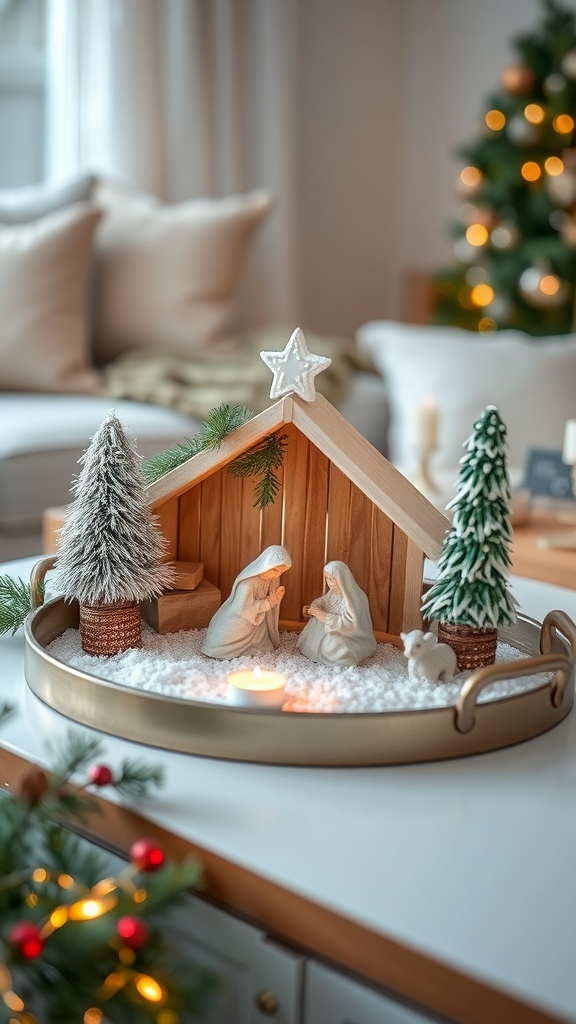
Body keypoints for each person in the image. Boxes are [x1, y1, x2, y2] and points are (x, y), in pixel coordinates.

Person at [201, 545, 291, 659]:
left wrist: (274, 600)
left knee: (266, 647)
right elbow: (243, 610)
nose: (277, 574)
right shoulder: (247, 585)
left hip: (256, 623)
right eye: (275, 570)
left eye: (281, 572)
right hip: (239, 620)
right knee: (221, 647)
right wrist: (268, 602)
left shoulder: (270, 580)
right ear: (266, 564)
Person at [297, 560, 376, 667]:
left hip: (347, 635)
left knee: (334, 647)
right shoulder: (334, 592)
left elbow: (351, 624)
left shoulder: (355, 598)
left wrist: (324, 616)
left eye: (332, 579)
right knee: (310, 636)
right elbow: (324, 601)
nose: (330, 583)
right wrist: (313, 608)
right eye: (327, 579)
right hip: (328, 627)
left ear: (342, 579)